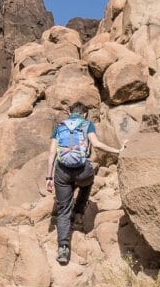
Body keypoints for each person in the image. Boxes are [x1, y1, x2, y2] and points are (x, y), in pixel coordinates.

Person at [41, 102, 120, 265]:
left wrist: (48, 178)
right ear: (84, 114)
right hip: (83, 171)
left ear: (70, 113)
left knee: (63, 210)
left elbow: (51, 154)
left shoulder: (60, 126)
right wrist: (118, 151)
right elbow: (97, 144)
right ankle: (78, 211)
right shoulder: (87, 124)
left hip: (62, 173)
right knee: (87, 182)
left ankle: (63, 248)